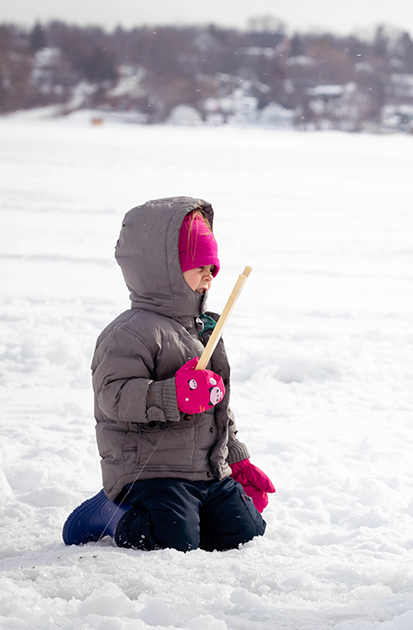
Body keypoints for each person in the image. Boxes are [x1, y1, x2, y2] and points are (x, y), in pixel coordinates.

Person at [62, 196, 275, 552]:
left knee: (245, 530)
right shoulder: (130, 333)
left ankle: (198, 513)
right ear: (165, 269)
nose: (209, 277)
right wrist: (172, 395)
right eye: (200, 267)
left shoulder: (205, 328)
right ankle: (111, 513)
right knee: (169, 539)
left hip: (205, 469)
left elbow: (216, 403)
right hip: (150, 472)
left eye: (213, 268)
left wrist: (236, 458)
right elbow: (114, 395)